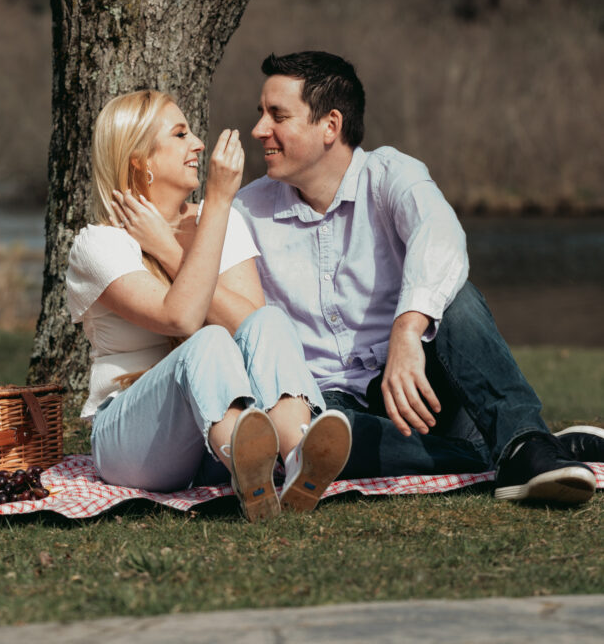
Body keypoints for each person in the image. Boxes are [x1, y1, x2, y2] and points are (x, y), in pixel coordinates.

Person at [233, 51, 604, 506]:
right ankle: (513, 448)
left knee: (456, 299)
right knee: (317, 444)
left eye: (277, 115)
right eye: (260, 115)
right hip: (331, 406)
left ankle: (524, 442)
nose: (258, 131)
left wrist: (407, 330)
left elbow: (441, 236)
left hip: (425, 388)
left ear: (330, 126)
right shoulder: (246, 210)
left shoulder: (392, 174)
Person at [65, 88, 352, 521]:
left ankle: (297, 461)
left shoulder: (220, 221)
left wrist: (174, 242)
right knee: (207, 340)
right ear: (140, 161)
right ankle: (245, 464)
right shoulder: (98, 244)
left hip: (209, 440)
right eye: (180, 134)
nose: (199, 143)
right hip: (133, 441)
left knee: (267, 320)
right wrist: (217, 201)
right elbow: (179, 317)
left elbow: (252, 327)